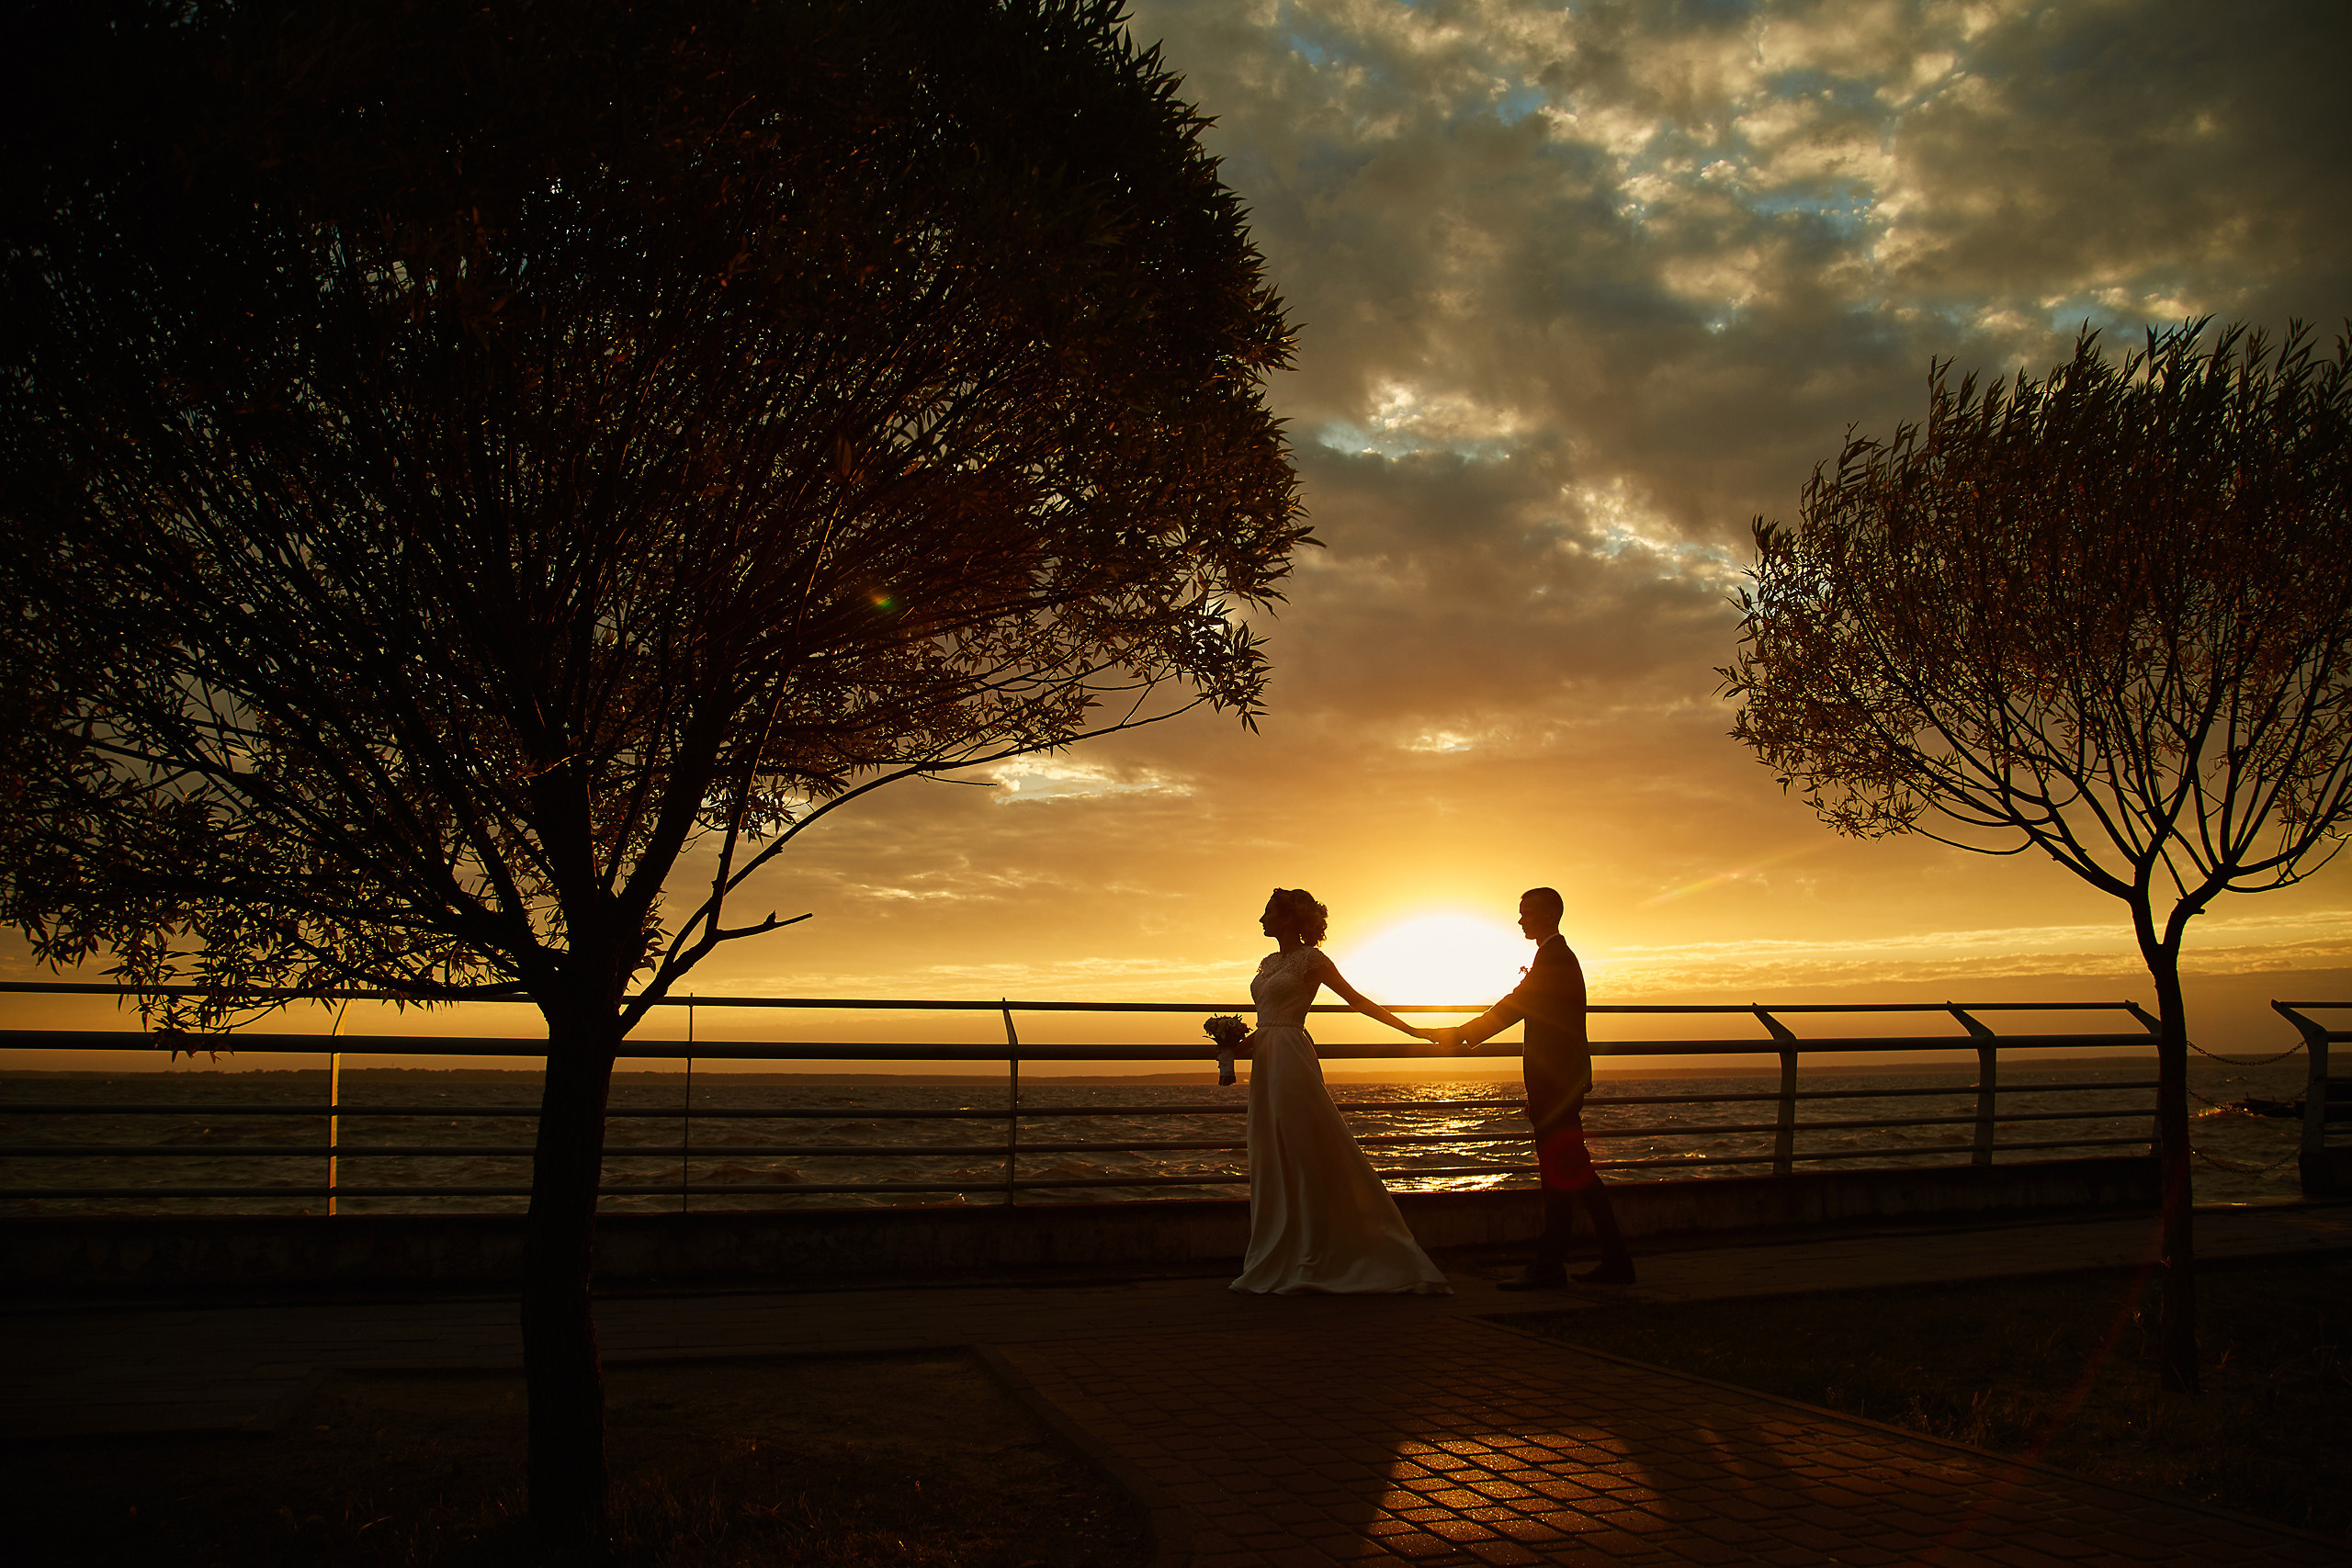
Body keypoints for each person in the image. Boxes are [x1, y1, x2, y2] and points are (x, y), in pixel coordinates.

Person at [1229, 887, 1453, 1295]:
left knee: (1308, 1147)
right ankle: (1284, 1246)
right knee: (1271, 1151)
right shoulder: (1268, 963)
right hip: (1266, 1060)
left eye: (1267, 913)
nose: (1261, 920)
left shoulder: (1312, 960)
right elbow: (1267, 1022)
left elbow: (1357, 1001)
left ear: (1288, 919)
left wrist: (1414, 1031)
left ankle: (1335, 1249)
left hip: (1292, 1059)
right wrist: (1232, 1045)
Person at [1438, 887, 1635, 1288]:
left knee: (1563, 1173)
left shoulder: (1555, 959)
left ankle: (1557, 1266)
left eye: (1526, 913)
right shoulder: (1554, 957)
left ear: (1548, 915)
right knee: (1572, 1173)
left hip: (1556, 1084)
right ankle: (1602, 1261)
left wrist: (1460, 1034)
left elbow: (1516, 1005)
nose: (1520, 920)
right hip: (1560, 1082)